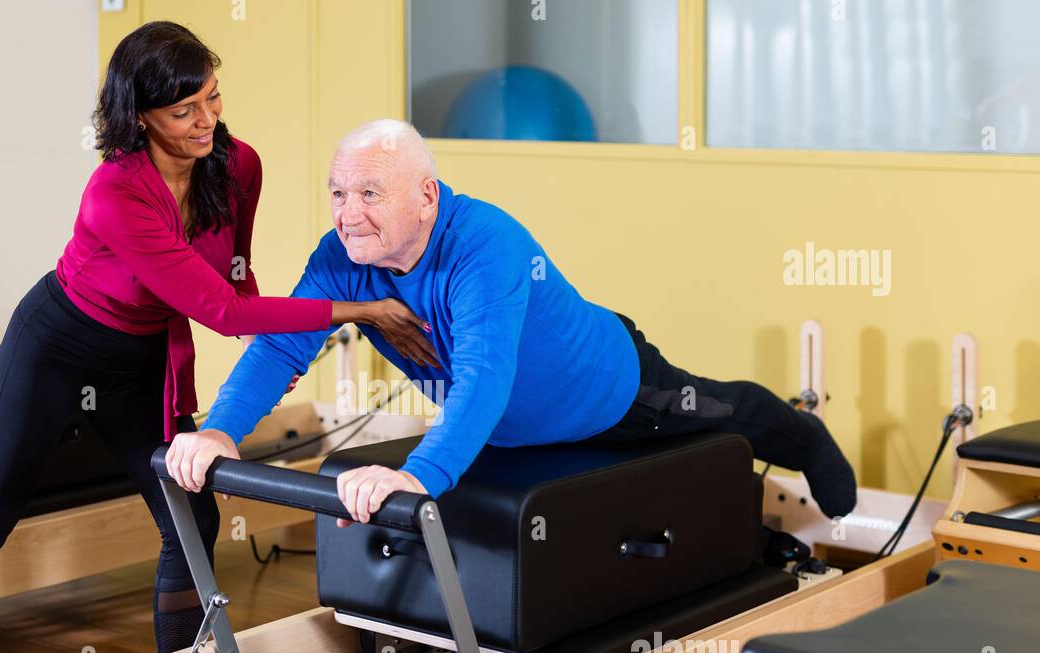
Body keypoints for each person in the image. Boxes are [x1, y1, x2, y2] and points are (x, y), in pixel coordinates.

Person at [0, 29, 435, 653]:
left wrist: (274, 362)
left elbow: (239, 280)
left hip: (139, 361)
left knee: (191, 517)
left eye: (212, 97)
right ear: (140, 115)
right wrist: (359, 311)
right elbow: (219, 309)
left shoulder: (237, 163)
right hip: (55, 349)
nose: (207, 120)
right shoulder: (115, 191)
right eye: (185, 110)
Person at [169, 119, 857, 534]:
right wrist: (223, 427)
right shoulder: (341, 257)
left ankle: (806, 434)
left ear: (426, 196)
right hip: (508, 433)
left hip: (611, 391)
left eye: (370, 194)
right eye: (338, 193)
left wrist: (420, 476)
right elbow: (282, 345)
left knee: (720, 411)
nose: (348, 214)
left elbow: (485, 373)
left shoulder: (485, 244)